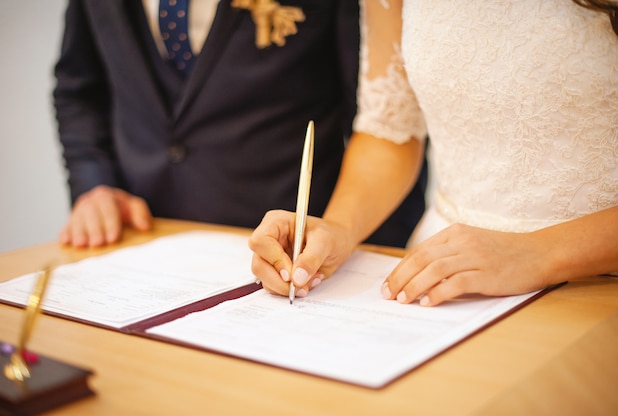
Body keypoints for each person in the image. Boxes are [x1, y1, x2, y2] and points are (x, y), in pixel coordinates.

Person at [248, 0, 618, 305]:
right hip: (442, 282)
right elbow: (390, 128)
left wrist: (538, 253)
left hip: (596, 284)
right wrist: (339, 228)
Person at [53, 0, 428, 249]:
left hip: (289, 252)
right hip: (140, 241)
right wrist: (94, 184)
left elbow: (385, 120)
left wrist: (373, 253)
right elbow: (80, 89)